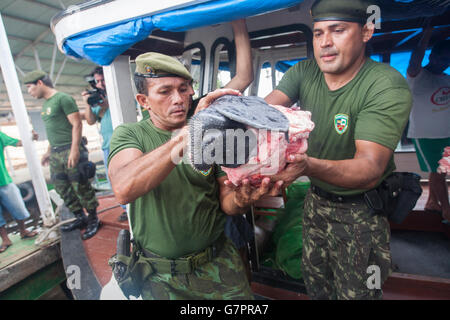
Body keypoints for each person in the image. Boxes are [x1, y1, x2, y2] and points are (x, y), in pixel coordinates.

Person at [264, 0, 412, 299]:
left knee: (358, 294)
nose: (325, 43)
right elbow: (263, 112)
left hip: (361, 211)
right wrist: (228, 109)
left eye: (338, 30)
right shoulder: (303, 73)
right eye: (318, 33)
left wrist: (307, 166)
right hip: (315, 202)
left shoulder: (384, 84)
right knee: (316, 285)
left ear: (366, 32)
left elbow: (369, 169)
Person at [107, 52, 283, 299]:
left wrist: (243, 198)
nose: (178, 99)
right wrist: (190, 131)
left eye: (183, 89)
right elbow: (124, 187)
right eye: (165, 92)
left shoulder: (210, 134)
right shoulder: (130, 135)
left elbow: (226, 201)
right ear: (143, 101)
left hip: (218, 264)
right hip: (161, 278)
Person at [23, 70, 100, 241]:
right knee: (61, 186)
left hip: (70, 149)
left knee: (80, 185)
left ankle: (93, 218)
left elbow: (77, 124)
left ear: (40, 83)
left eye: (30, 87)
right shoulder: (45, 105)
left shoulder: (63, 99)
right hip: (57, 152)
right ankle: (80, 217)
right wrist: (48, 152)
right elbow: (55, 131)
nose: (29, 91)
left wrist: (75, 149)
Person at [406, 25, 449, 222]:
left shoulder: (446, 79)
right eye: (441, 57)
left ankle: (432, 201)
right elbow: (415, 60)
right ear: (432, 55)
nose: (444, 62)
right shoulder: (418, 76)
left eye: (448, 59)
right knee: (438, 171)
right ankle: (447, 211)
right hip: (426, 136)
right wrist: (427, 31)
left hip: (446, 134)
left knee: (439, 171)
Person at [82, 66, 128, 222]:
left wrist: (107, 103)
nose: (100, 83)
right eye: (97, 81)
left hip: (124, 142)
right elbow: (90, 120)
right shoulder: (97, 100)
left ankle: (135, 207)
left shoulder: (120, 93)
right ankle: (126, 209)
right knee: (113, 180)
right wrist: (88, 103)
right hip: (108, 145)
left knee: (129, 176)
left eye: (102, 80)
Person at [0, 131, 39, 253]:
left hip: (4, 180)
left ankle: (23, 231)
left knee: (18, 206)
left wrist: (31, 137)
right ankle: (5, 239)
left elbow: (17, 142)